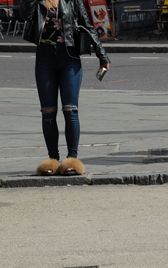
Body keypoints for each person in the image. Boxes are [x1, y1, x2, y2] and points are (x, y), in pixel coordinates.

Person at [20, 0, 111, 175]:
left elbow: (87, 25)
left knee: (71, 110)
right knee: (48, 112)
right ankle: (52, 160)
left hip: (69, 57)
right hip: (44, 58)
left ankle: (72, 160)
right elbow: (24, 15)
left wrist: (102, 55)